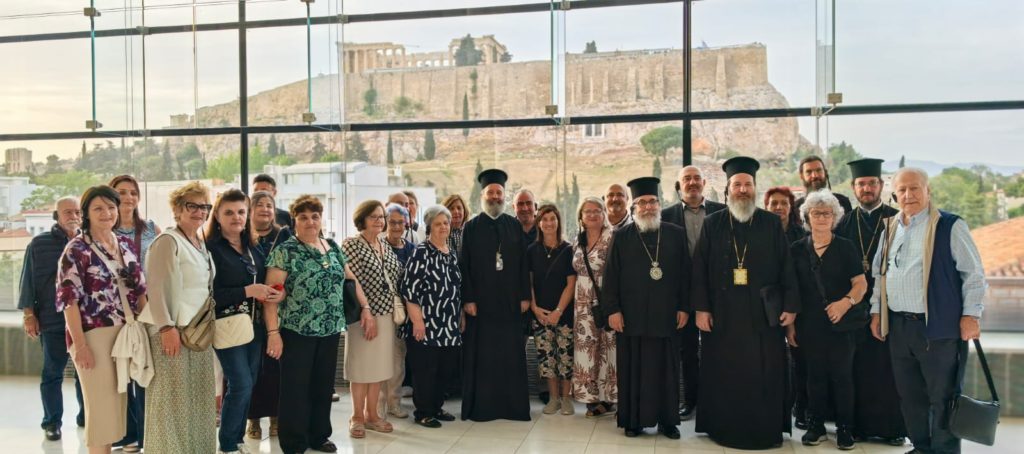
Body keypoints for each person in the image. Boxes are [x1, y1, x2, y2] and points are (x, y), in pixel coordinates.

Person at [869, 167, 987, 454]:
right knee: (910, 397)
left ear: (927, 190)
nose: (908, 195)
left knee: (943, 397)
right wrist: (876, 312)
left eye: (915, 188)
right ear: (894, 194)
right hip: (899, 327)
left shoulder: (949, 225)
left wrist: (971, 314)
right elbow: (879, 275)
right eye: (902, 190)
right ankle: (921, 447)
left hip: (938, 328)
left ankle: (944, 451)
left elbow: (973, 274)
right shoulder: (890, 227)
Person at [691, 156, 800, 449]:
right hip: (723, 314)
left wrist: (790, 307)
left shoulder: (770, 223)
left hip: (763, 314)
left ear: (754, 188)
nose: (742, 190)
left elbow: (786, 266)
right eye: (737, 184)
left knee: (763, 372)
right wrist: (701, 308)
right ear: (728, 189)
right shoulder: (713, 223)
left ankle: (763, 430)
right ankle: (723, 428)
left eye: (747, 184)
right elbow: (699, 268)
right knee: (725, 373)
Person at [57, 186, 149, 454]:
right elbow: (68, 300)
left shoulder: (124, 244)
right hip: (93, 334)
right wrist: (80, 345)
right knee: (101, 409)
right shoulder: (76, 249)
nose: (107, 213)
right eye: (98, 208)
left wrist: (149, 330)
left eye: (111, 207)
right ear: (86, 213)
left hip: (128, 331)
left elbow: (140, 291)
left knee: (119, 407)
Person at [265, 195, 357, 453]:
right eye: (303, 217)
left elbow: (350, 280)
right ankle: (294, 441)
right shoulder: (285, 251)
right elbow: (270, 297)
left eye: (315, 216)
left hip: (329, 329)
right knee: (296, 388)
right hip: (297, 330)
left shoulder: (331, 246)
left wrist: (367, 310)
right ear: (294, 220)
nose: (310, 221)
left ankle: (319, 436)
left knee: (322, 386)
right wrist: (273, 332)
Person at [602, 177, 689, 439]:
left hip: (667, 315)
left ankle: (668, 421)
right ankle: (633, 421)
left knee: (667, 369)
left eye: (653, 202)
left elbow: (686, 275)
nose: (648, 207)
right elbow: (611, 277)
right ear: (634, 207)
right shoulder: (621, 236)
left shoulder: (675, 233)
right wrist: (613, 310)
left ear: (659, 204)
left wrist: (684, 307)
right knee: (632, 368)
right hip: (632, 316)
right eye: (642, 203)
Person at [140, 181, 217, 453]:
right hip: (172, 330)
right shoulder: (167, 241)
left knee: (196, 399)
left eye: (204, 207)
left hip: (196, 332)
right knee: (170, 401)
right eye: (192, 206)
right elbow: (156, 288)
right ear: (177, 209)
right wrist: (166, 328)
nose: (199, 212)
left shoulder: (198, 241)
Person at [834, 158, 906, 445]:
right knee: (856, 370)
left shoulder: (897, 220)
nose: (866, 188)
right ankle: (858, 427)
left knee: (888, 368)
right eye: (861, 184)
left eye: (871, 183)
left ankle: (892, 429)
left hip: (888, 307)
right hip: (853, 309)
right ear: (853, 187)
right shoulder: (844, 222)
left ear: (881, 185)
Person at [789, 189, 868, 450]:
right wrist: (790, 327)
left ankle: (845, 429)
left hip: (840, 324)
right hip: (808, 325)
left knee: (842, 377)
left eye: (827, 213)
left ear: (834, 217)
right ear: (806, 217)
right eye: (816, 213)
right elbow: (791, 291)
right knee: (814, 377)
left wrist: (844, 303)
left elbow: (860, 284)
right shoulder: (797, 249)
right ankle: (816, 426)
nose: (821, 217)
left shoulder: (845, 247)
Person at [207, 189, 283, 453]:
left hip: (254, 327)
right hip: (228, 327)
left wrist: (273, 291)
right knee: (239, 383)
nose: (236, 217)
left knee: (248, 383)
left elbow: (260, 282)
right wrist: (248, 291)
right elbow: (209, 295)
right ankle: (227, 444)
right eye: (229, 212)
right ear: (217, 216)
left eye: (241, 211)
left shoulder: (252, 247)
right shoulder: (211, 249)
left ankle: (236, 439)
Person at [459, 169, 531, 422]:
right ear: (483, 196)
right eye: (491, 192)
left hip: (510, 304)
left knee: (509, 356)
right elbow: (463, 265)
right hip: (481, 306)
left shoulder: (514, 225)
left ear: (504, 196)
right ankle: (483, 407)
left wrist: (525, 297)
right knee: (484, 357)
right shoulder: (471, 227)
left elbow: (524, 265)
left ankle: (512, 408)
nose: (495, 197)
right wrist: (468, 299)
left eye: (499, 193)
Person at [661, 166, 726, 420]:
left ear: (705, 183)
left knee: (718, 349)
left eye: (697, 178)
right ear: (679, 185)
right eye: (686, 179)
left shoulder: (722, 211)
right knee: (686, 351)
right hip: (682, 295)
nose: (692, 182)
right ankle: (689, 400)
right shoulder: (667, 215)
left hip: (717, 294)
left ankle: (716, 401)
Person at [19, 197, 85, 441]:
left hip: (85, 322)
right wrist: (29, 315)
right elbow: (27, 281)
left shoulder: (87, 242)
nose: (73, 216)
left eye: (77, 211)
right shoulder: (39, 244)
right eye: (67, 212)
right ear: (56, 216)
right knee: (52, 373)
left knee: (84, 373)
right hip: (52, 321)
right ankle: (52, 422)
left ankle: (86, 416)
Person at [341, 200, 402, 437]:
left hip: (386, 315)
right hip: (362, 316)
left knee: (378, 368)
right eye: (373, 217)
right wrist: (366, 310)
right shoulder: (352, 244)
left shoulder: (384, 245)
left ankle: (372, 415)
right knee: (361, 367)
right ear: (362, 219)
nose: (379, 221)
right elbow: (351, 280)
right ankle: (356, 416)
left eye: (381, 217)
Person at [109, 174, 160, 452]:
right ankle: (124, 433)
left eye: (132, 193)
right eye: (120, 193)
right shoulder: (103, 231)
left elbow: (165, 265)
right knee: (119, 373)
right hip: (116, 312)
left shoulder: (152, 229)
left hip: (147, 309)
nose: (127, 198)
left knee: (143, 370)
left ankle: (144, 435)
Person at [399, 205, 463, 428]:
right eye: (438, 224)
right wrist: (417, 321)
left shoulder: (451, 253)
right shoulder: (421, 252)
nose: (443, 227)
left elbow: (456, 288)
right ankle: (423, 412)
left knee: (444, 371)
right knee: (425, 371)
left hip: (448, 325)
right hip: (426, 324)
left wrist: (460, 317)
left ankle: (436, 406)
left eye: (446, 223)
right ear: (429, 227)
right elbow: (409, 290)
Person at [246, 190, 292, 440]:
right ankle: (252, 420)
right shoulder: (241, 238)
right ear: (250, 210)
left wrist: (282, 293)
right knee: (251, 370)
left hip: (278, 314)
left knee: (276, 369)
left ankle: (276, 418)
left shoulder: (284, 236)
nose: (264, 209)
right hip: (248, 315)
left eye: (269, 205)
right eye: (259, 205)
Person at [765, 185, 812, 429]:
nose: (778, 208)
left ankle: (801, 408)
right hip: (768, 306)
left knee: (800, 359)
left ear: (791, 208)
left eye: (783, 203)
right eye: (774, 203)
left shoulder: (800, 234)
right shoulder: (760, 233)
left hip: (798, 305)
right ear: (766, 207)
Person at [528, 204, 577, 416]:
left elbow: (571, 283)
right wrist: (534, 308)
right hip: (540, 313)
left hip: (563, 313)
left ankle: (566, 399)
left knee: (565, 357)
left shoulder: (568, 250)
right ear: (539, 223)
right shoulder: (531, 251)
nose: (549, 223)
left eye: (553, 219)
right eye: (545, 219)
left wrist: (558, 310)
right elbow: (528, 283)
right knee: (547, 358)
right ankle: (553, 398)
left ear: (558, 222)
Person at [571, 197, 618, 418]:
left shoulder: (613, 238)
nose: (591, 215)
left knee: (608, 349)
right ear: (581, 216)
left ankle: (610, 399)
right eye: (587, 211)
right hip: (581, 306)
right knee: (587, 350)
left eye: (596, 210)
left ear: (604, 214)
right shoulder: (577, 240)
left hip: (606, 300)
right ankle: (592, 398)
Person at [378, 202, 416, 420]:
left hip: (403, 313)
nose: (396, 226)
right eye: (391, 222)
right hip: (381, 310)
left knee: (397, 360)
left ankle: (394, 402)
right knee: (380, 360)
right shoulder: (378, 246)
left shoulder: (411, 249)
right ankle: (378, 405)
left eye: (400, 222)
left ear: (406, 224)